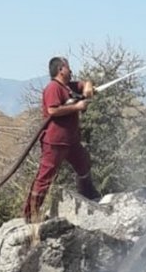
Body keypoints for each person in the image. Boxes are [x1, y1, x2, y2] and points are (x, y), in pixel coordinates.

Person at [23, 57, 99, 222]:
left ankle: (90, 198)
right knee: (45, 177)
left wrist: (88, 87)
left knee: (83, 164)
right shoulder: (53, 88)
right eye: (68, 68)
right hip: (55, 141)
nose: (71, 71)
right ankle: (31, 215)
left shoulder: (69, 87)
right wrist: (77, 107)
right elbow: (52, 110)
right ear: (61, 69)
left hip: (71, 140)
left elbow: (85, 83)